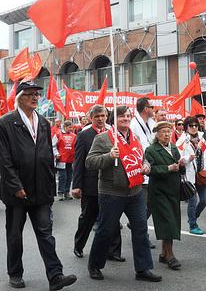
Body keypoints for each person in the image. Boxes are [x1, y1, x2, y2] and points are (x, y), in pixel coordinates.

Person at [0, 80, 76, 290]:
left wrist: (50, 187)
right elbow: (4, 160)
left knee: (46, 233)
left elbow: (47, 155)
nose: (35, 97)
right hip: (17, 191)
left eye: (37, 94)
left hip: (40, 189)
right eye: (30, 93)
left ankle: (55, 276)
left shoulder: (43, 122)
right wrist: (15, 186)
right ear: (20, 97)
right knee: (15, 235)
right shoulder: (5, 123)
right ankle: (15, 273)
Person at [86, 105, 161, 282]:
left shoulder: (134, 138)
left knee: (141, 230)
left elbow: (141, 158)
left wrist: (146, 166)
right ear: (114, 119)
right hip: (112, 193)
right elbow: (90, 162)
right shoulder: (103, 138)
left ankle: (143, 269)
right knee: (106, 230)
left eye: (128, 116)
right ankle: (95, 265)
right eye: (121, 116)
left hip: (135, 191)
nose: (126, 119)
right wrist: (109, 156)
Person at [72, 105, 123, 261]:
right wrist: (76, 185)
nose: (101, 119)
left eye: (103, 116)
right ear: (91, 118)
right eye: (97, 116)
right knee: (88, 217)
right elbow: (79, 162)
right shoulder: (83, 135)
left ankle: (113, 251)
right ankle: (79, 245)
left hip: (110, 183)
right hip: (91, 185)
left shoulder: (113, 134)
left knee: (112, 218)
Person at [146, 121, 185, 270]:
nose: (166, 134)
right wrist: (167, 168)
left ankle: (163, 253)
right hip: (159, 191)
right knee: (168, 222)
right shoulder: (151, 150)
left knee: (172, 221)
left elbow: (179, 167)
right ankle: (170, 255)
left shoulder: (174, 147)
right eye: (163, 132)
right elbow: (150, 170)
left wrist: (181, 164)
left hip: (173, 190)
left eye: (169, 131)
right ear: (157, 134)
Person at [178, 116, 206, 235]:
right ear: (186, 127)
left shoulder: (201, 139)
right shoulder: (183, 140)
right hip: (189, 175)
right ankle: (193, 224)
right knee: (193, 200)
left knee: (204, 200)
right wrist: (188, 158)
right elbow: (178, 159)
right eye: (191, 126)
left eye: (195, 125)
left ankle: (193, 217)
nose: (193, 128)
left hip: (202, 174)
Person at [130, 97, 156, 248]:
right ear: (146, 108)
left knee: (151, 204)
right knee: (143, 207)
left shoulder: (151, 123)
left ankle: (135, 225)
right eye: (152, 107)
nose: (154, 109)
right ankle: (142, 236)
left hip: (151, 169)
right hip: (140, 171)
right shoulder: (134, 124)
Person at [52, 120, 76, 201]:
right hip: (62, 159)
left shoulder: (74, 135)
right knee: (63, 176)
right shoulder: (58, 134)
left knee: (69, 176)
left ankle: (66, 192)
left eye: (71, 127)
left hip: (70, 159)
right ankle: (61, 192)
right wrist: (56, 154)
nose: (71, 129)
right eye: (69, 127)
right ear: (65, 127)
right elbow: (53, 145)